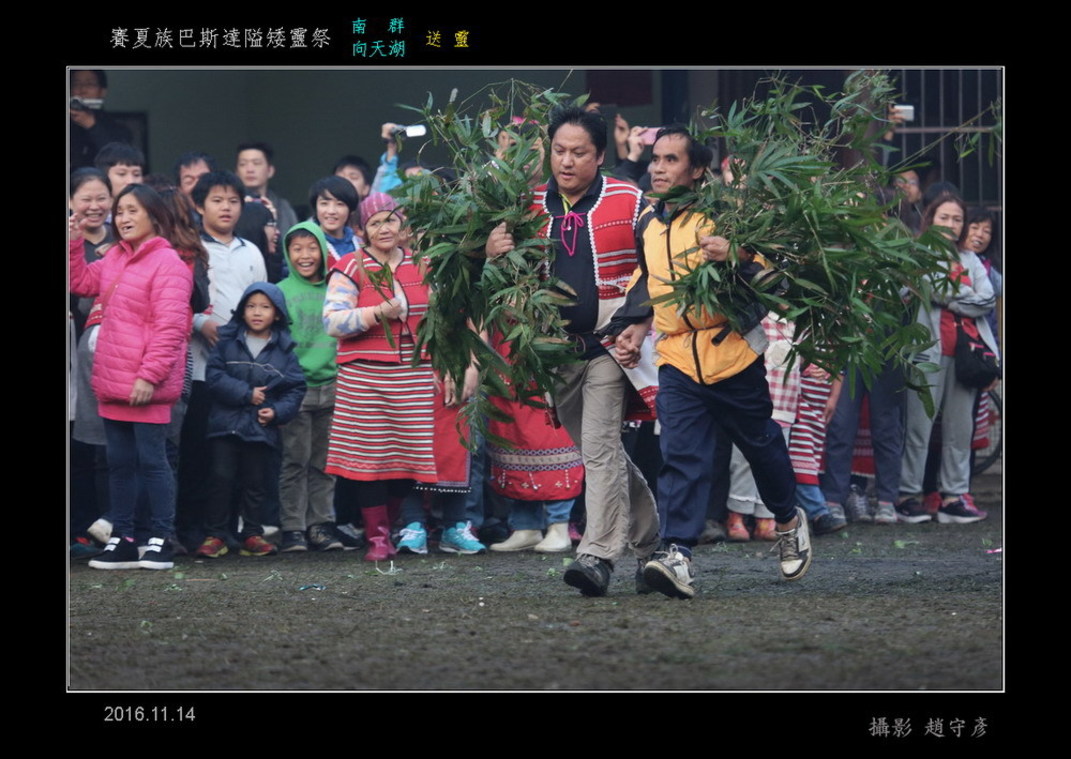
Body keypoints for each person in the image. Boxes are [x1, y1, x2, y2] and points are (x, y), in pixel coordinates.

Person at [614, 125, 813, 599]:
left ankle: (787, 519)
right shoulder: (648, 220)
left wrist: (735, 256)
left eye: (671, 160)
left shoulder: (729, 216)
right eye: (655, 159)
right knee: (681, 456)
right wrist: (636, 324)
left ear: (698, 169)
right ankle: (678, 552)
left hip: (732, 353)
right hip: (678, 357)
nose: (658, 168)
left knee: (762, 446)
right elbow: (647, 278)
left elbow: (777, 283)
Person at [485, 105, 659, 596]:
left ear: (600, 155)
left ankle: (598, 556)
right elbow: (500, 280)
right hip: (555, 351)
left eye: (579, 152)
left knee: (600, 450)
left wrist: (640, 320)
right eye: (559, 151)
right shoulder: (529, 206)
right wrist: (493, 253)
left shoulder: (629, 198)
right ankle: (654, 545)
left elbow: (658, 264)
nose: (566, 161)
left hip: (610, 343)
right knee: (603, 454)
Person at [323, 193, 469, 561]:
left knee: (409, 461)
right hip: (365, 377)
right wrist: (377, 313)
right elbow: (333, 321)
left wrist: (452, 364)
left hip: (415, 375)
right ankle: (377, 537)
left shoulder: (424, 265)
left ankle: (388, 526)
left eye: (390, 220)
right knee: (370, 462)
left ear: (402, 224)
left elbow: (444, 320)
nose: (384, 228)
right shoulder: (350, 266)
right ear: (362, 230)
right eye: (375, 223)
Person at [69, 184, 193, 570]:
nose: (122, 218)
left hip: (146, 385)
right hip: (113, 382)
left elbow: (171, 329)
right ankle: (123, 540)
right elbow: (82, 284)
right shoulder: (115, 259)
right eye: (119, 211)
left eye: (132, 210)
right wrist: (74, 243)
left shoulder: (169, 263)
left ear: (154, 216)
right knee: (120, 463)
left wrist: (149, 376)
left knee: (153, 462)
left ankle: (159, 538)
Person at [898, 193, 997, 524]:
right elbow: (921, 288)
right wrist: (959, 296)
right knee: (918, 427)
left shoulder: (970, 259)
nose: (952, 225)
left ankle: (953, 497)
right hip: (925, 352)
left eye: (957, 219)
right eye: (945, 218)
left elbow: (987, 298)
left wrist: (948, 297)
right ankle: (908, 495)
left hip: (966, 354)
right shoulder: (916, 253)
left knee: (960, 429)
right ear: (930, 218)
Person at [197, 283, 306, 558]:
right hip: (225, 425)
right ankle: (216, 534)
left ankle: (252, 535)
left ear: (278, 314)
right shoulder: (227, 341)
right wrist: (246, 394)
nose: (257, 312)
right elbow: (215, 376)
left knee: (256, 482)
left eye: (265, 307)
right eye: (251, 306)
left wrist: (278, 412)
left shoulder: (285, 350)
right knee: (220, 479)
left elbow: (295, 388)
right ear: (242, 310)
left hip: (260, 428)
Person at [276, 221, 344, 552]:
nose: (305, 255)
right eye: (297, 248)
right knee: (294, 459)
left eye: (311, 247)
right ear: (287, 253)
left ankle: (321, 525)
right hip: (295, 389)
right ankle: (292, 527)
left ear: (322, 249)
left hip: (333, 386)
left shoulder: (337, 288)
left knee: (325, 461)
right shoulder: (280, 291)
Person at [70, 69, 133, 170]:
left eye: (90, 84)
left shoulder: (117, 129)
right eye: (76, 84)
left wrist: (91, 125)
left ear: (102, 92)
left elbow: (119, 160)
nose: (82, 90)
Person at [236, 141, 298, 234]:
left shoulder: (283, 207)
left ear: (270, 171)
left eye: (256, 163)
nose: (249, 169)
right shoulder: (232, 206)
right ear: (236, 172)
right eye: (243, 164)